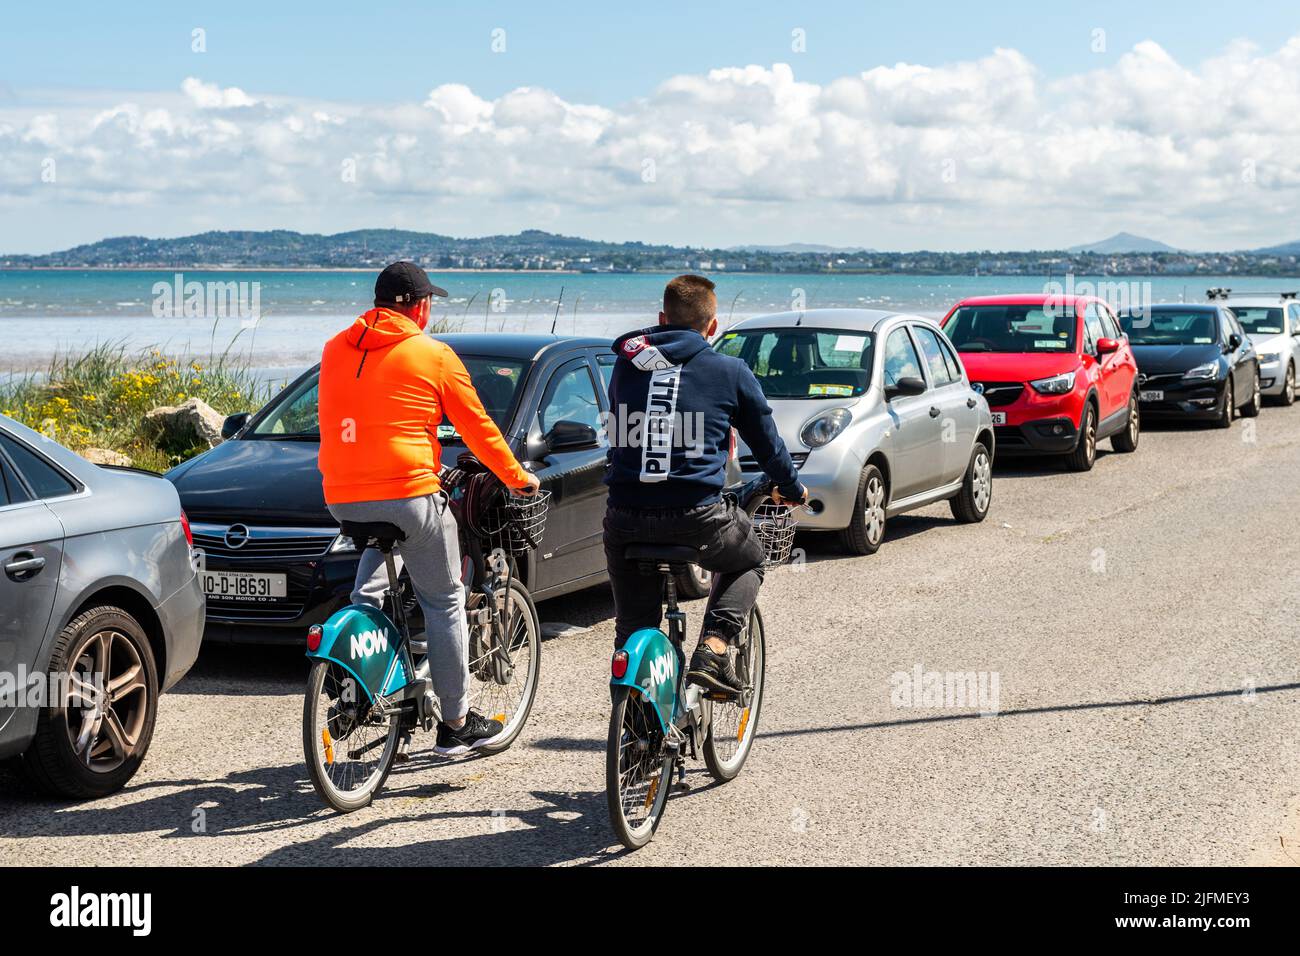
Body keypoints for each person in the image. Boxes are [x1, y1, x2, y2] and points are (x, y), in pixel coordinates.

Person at [317, 261, 541, 755]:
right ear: (420, 307)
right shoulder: (432, 353)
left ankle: (355, 651)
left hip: (340, 495)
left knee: (377, 563)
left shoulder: (335, 348)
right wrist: (518, 478)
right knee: (444, 599)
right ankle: (456, 722)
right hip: (408, 492)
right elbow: (478, 427)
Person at [602, 274, 807, 695]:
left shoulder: (627, 364)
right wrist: (791, 485)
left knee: (632, 628)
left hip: (623, 518)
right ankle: (713, 650)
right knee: (749, 558)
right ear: (712, 327)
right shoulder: (728, 370)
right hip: (695, 517)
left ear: (661, 318)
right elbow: (768, 446)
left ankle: (634, 733)